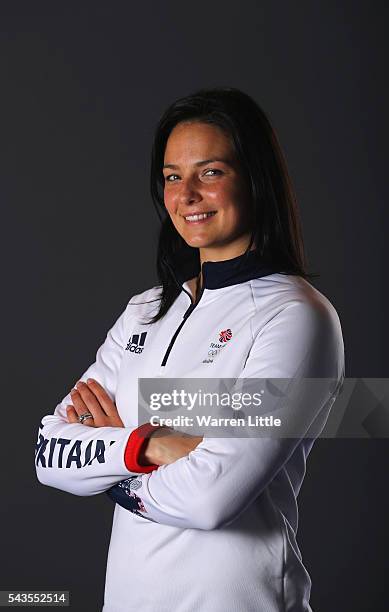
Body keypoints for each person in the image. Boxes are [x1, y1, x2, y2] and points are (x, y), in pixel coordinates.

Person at [35, 87, 345, 612]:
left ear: (254, 178)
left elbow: (210, 497)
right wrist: (146, 447)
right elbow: (49, 452)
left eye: (211, 172)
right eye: (173, 176)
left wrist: (110, 459)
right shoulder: (146, 309)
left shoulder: (297, 316)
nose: (187, 195)